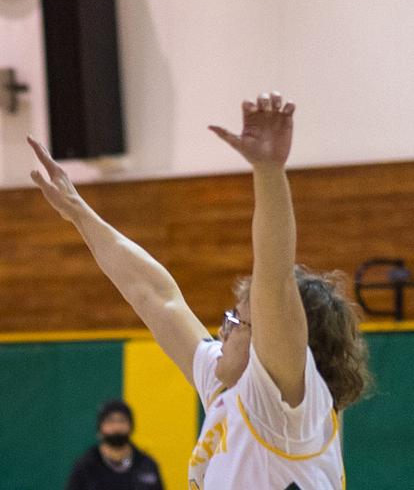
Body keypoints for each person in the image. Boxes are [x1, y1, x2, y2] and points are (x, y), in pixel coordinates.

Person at [29, 92, 371, 489]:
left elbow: (274, 281)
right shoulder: (230, 384)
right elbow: (156, 296)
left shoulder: (287, 408)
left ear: (275, 340)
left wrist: (268, 172)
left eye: (237, 322)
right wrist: (79, 214)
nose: (223, 330)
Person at [66, 399, 164, 490]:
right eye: (110, 421)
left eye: (122, 420)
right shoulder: (85, 466)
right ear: (100, 428)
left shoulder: (147, 465)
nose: (117, 427)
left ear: (131, 426)